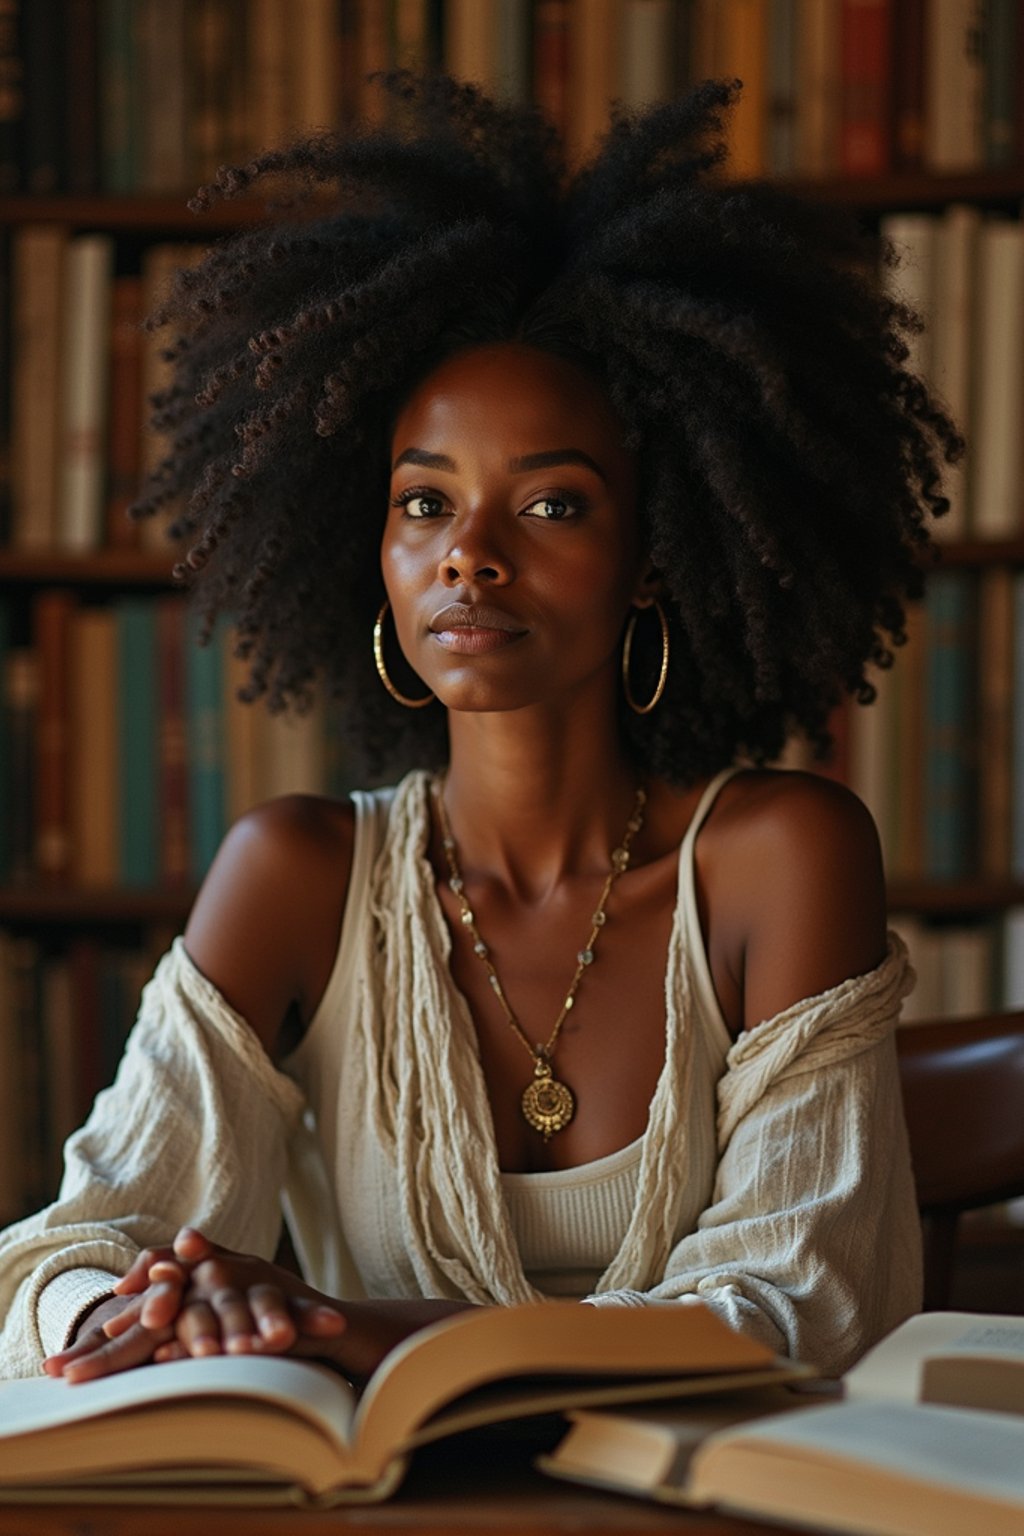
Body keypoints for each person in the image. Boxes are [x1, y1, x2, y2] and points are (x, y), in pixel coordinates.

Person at [0, 76, 959, 1386]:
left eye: (552, 507)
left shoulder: (779, 857)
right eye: (423, 505)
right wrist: (143, 1311)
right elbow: (67, 1252)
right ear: (373, 552)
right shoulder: (298, 876)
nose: (472, 559)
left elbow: (797, 1307)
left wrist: (345, 1327)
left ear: (657, 559)